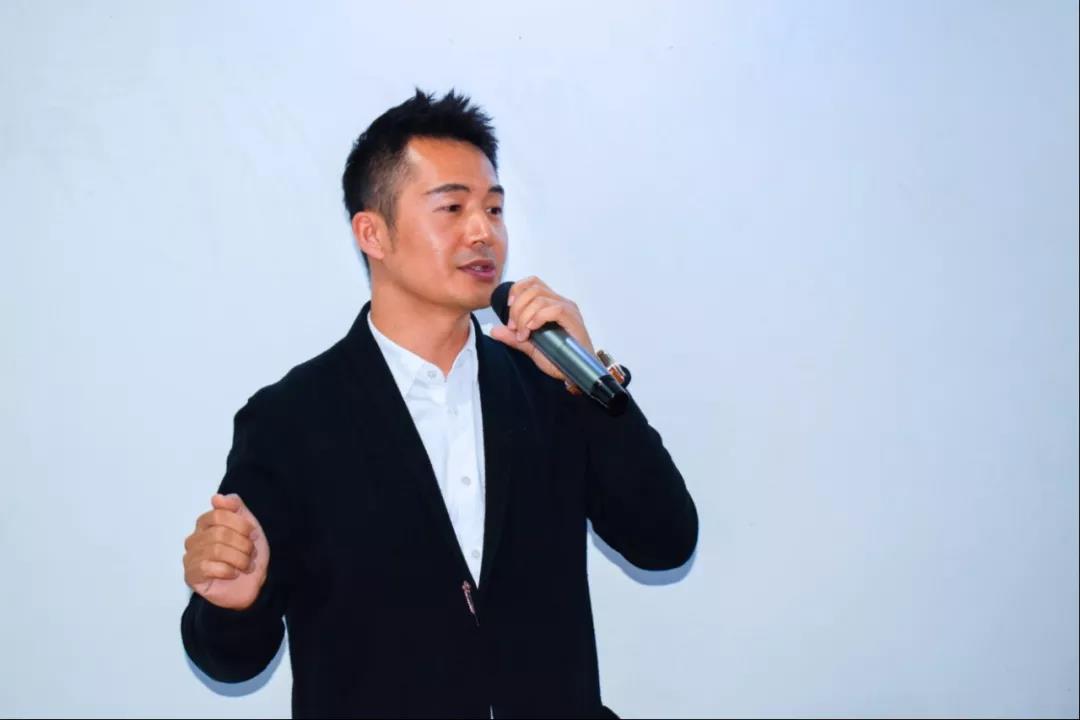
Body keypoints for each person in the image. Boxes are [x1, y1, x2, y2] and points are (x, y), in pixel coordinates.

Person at [180, 89, 698, 719]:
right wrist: (235, 601)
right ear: (373, 233)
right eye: (452, 207)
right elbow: (229, 659)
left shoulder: (549, 387)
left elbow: (665, 541)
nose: (483, 232)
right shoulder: (290, 421)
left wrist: (592, 385)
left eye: (494, 209)